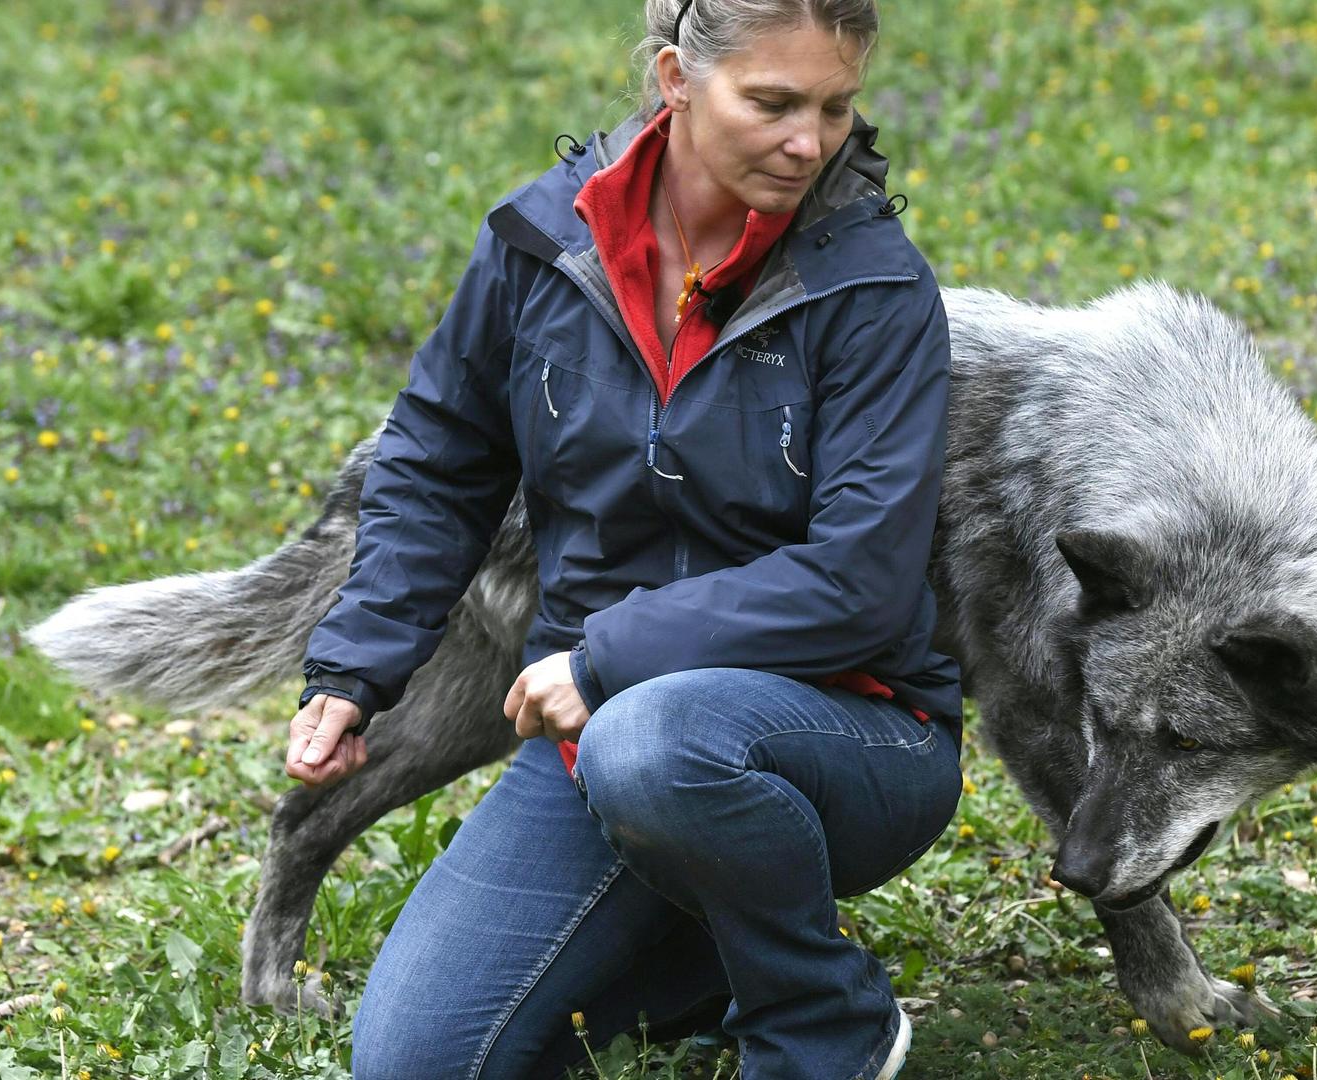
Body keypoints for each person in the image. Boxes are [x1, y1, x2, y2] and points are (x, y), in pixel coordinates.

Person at [283, 0, 962, 1075]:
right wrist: (359, 664)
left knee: (654, 743)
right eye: (774, 103)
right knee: (415, 1062)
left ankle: (822, 1021)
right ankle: (707, 938)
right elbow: (441, 455)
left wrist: (608, 659)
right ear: (674, 80)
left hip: (846, 730)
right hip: (593, 742)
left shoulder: (875, 288)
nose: (810, 142)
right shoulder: (541, 241)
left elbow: (860, 584)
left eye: (836, 107)